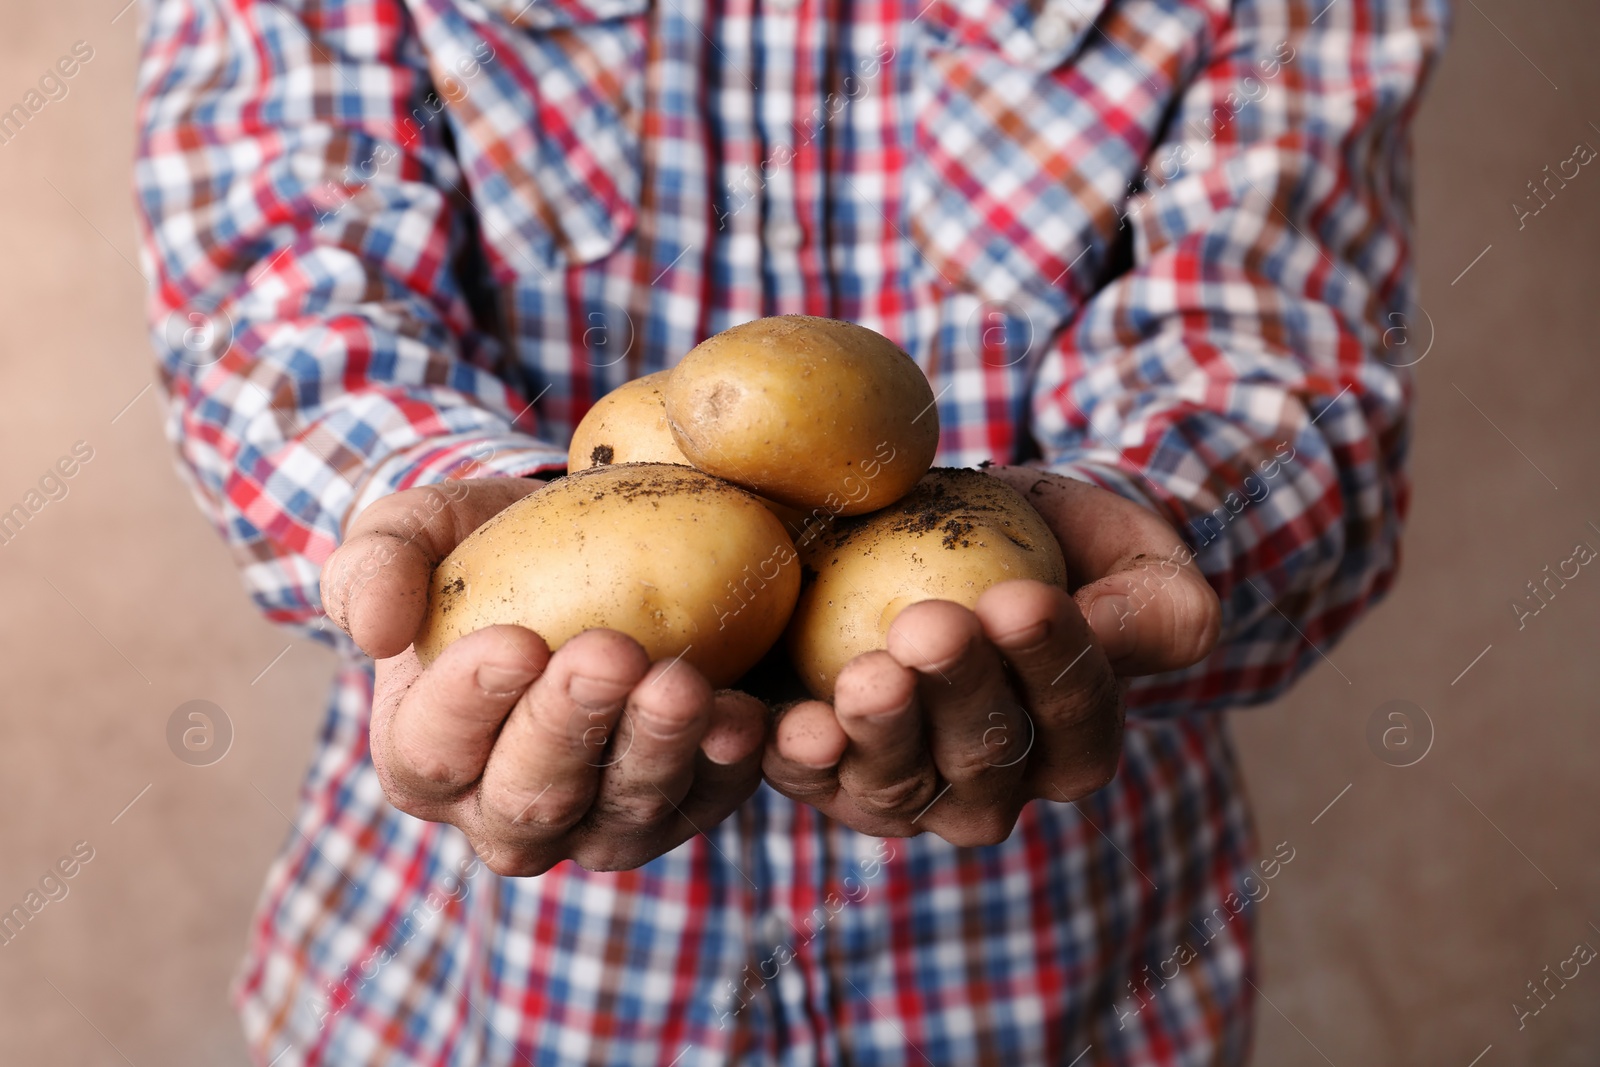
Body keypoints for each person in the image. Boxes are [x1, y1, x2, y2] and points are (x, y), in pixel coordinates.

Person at [134, 0, 1445, 1061]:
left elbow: (1275, 355)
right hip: (465, 998)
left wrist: (1160, 517)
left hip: (1063, 977)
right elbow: (279, 303)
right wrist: (438, 523)